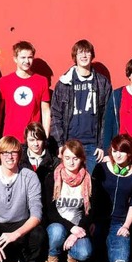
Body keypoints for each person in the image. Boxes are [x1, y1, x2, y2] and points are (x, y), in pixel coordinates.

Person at [51, 39, 111, 174]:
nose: (84, 56)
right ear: (75, 57)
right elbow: (55, 115)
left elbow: (108, 117)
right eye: (80, 53)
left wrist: (103, 145)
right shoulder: (64, 83)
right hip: (70, 144)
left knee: (92, 186)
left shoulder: (102, 83)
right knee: (71, 183)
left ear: (92, 55)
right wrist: (60, 144)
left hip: (93, 146)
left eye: (87, 52)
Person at [91, 134, 132, 262]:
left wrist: (126, 226)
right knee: (93, 258)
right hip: (99, 220)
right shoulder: (100, 168)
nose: (117, 155)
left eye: (122, 151)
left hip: (119, 222)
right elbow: (92, 197)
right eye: (114, 151)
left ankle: (111, 241)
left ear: (130, 153)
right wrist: (91, 220)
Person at [44, 140, 93, 262]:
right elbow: (50, 212)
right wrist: (71, 228)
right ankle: (53, 257)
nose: (71, 162)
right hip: (58, 224)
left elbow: (90, 212)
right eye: (67, 158)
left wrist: (76, 232)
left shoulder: (88, 180)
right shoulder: (52, 179)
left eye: (75, 158)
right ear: (61, 158)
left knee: (84, 252)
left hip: (78, 226)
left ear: (82, 159)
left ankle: (70, 255)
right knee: (57, 232)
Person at [0, 41, 50, 141]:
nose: (27, 61)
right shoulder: (4, 82)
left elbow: (45, 110)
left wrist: (45, 137)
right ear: (15, 59)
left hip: (33, 139)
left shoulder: (42, 81)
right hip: (10, 138)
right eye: (23, 57)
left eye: (30, 57)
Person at [19, 122, 58, 190]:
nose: (36, 144)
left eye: (39, 139)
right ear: (26, 140)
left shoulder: (54, 162)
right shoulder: (19, 161)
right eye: (32, 140)